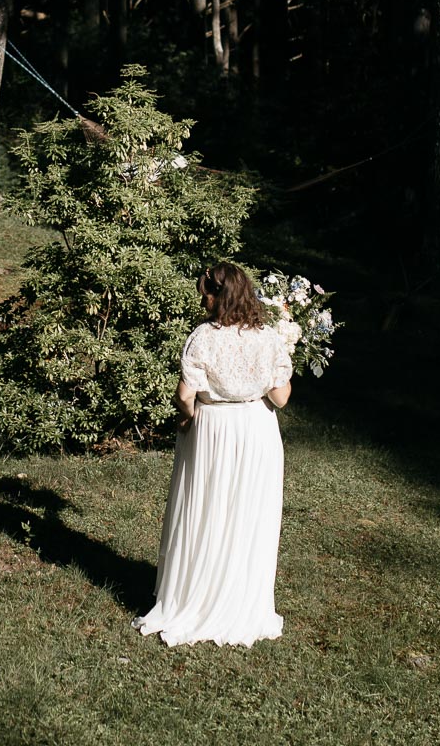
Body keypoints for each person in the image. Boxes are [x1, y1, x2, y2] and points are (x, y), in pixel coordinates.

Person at [135, 262, 293, 647]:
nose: (201, 299)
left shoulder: (203, 337)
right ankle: (241, 602)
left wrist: (187, 420)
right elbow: (281, 397)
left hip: (214, 430)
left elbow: (185, 397)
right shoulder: (269, 338)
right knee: (246, 515)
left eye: (205, 292)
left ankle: (195, 596)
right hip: (256, 430)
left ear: (219, 296)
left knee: (207, 510)